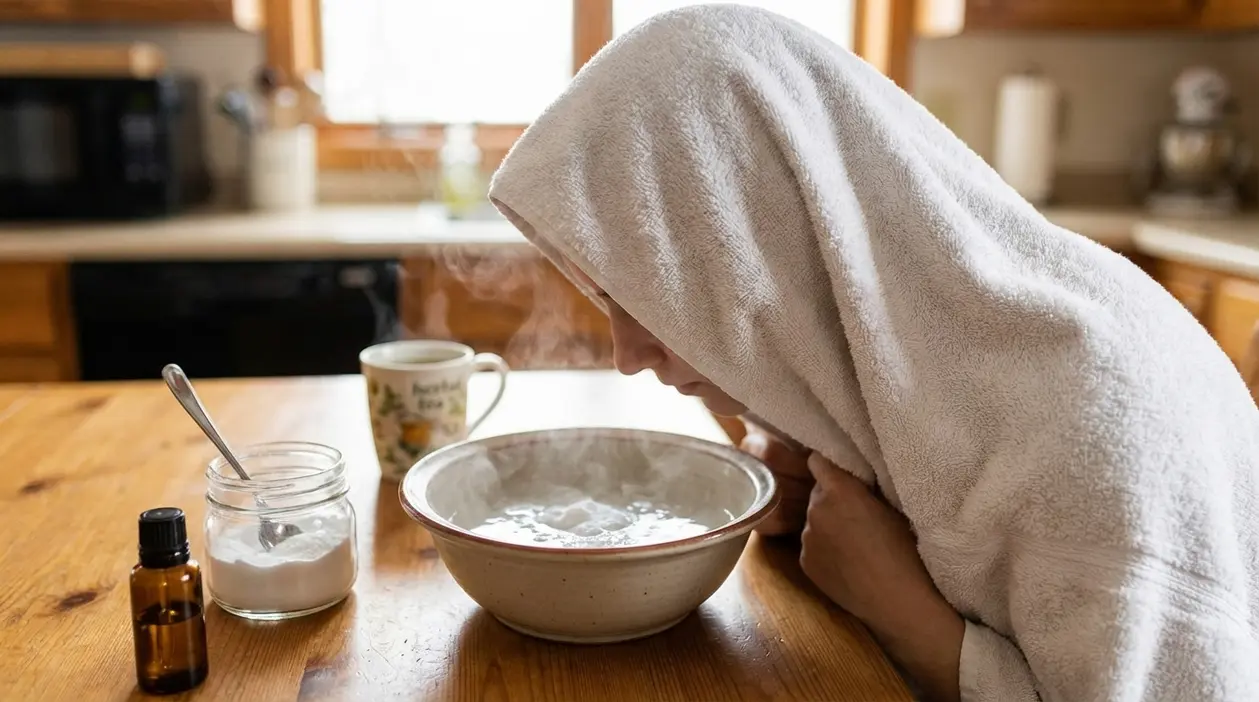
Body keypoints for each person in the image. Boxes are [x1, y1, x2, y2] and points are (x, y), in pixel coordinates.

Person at [487, 5, 1259, 702]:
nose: (627, 356)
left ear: (770, 242)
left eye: (660, 296)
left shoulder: (1085, 439)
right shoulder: (917, 354)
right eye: (609, 302)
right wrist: (815, 465)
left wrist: (906, 618)